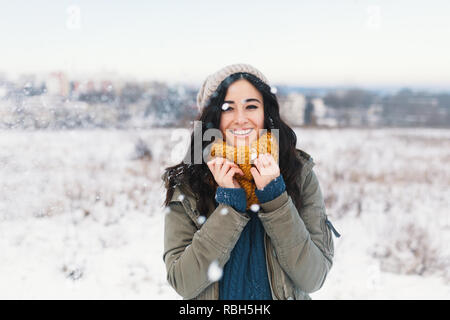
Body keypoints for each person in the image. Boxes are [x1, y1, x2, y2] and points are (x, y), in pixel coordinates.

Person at [162, 63, 339, 300]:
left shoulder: (298, 172)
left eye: (251, 106)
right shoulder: (187, 182)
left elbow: (313, 277)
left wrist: (276, 198)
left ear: (266, 112)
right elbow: (183, 282)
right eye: (227, 108)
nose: (241, 119)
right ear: (212, 118)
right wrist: (229, 205)